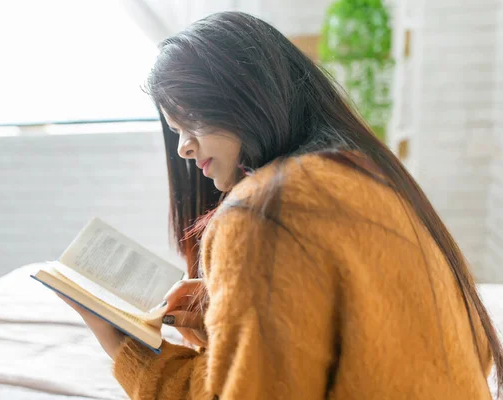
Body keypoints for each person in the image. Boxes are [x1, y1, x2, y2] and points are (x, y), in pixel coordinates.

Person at [59, 11, 502, 399]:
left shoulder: (263, 213)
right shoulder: (366, 175)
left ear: (241, 97)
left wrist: (122, 344)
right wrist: (223, 307)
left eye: (188, 121)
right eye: (175, 129)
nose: (183, 150)